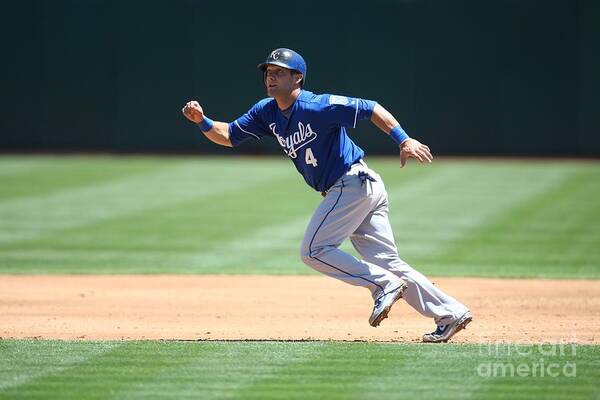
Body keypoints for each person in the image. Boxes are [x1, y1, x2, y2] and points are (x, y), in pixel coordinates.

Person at [182, 48, 471, 343]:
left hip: (352, 183)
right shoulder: (265, 112)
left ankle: (382, 286)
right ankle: (450, 313)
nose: (271, 76)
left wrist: (404, 139)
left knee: (313, 251)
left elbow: (371, 108)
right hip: (358, 188)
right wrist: (202, 121)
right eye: (268, 72)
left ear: (298, 78)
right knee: (387, 262)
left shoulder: (317, 106)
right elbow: (229, 135)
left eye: (279, 71)